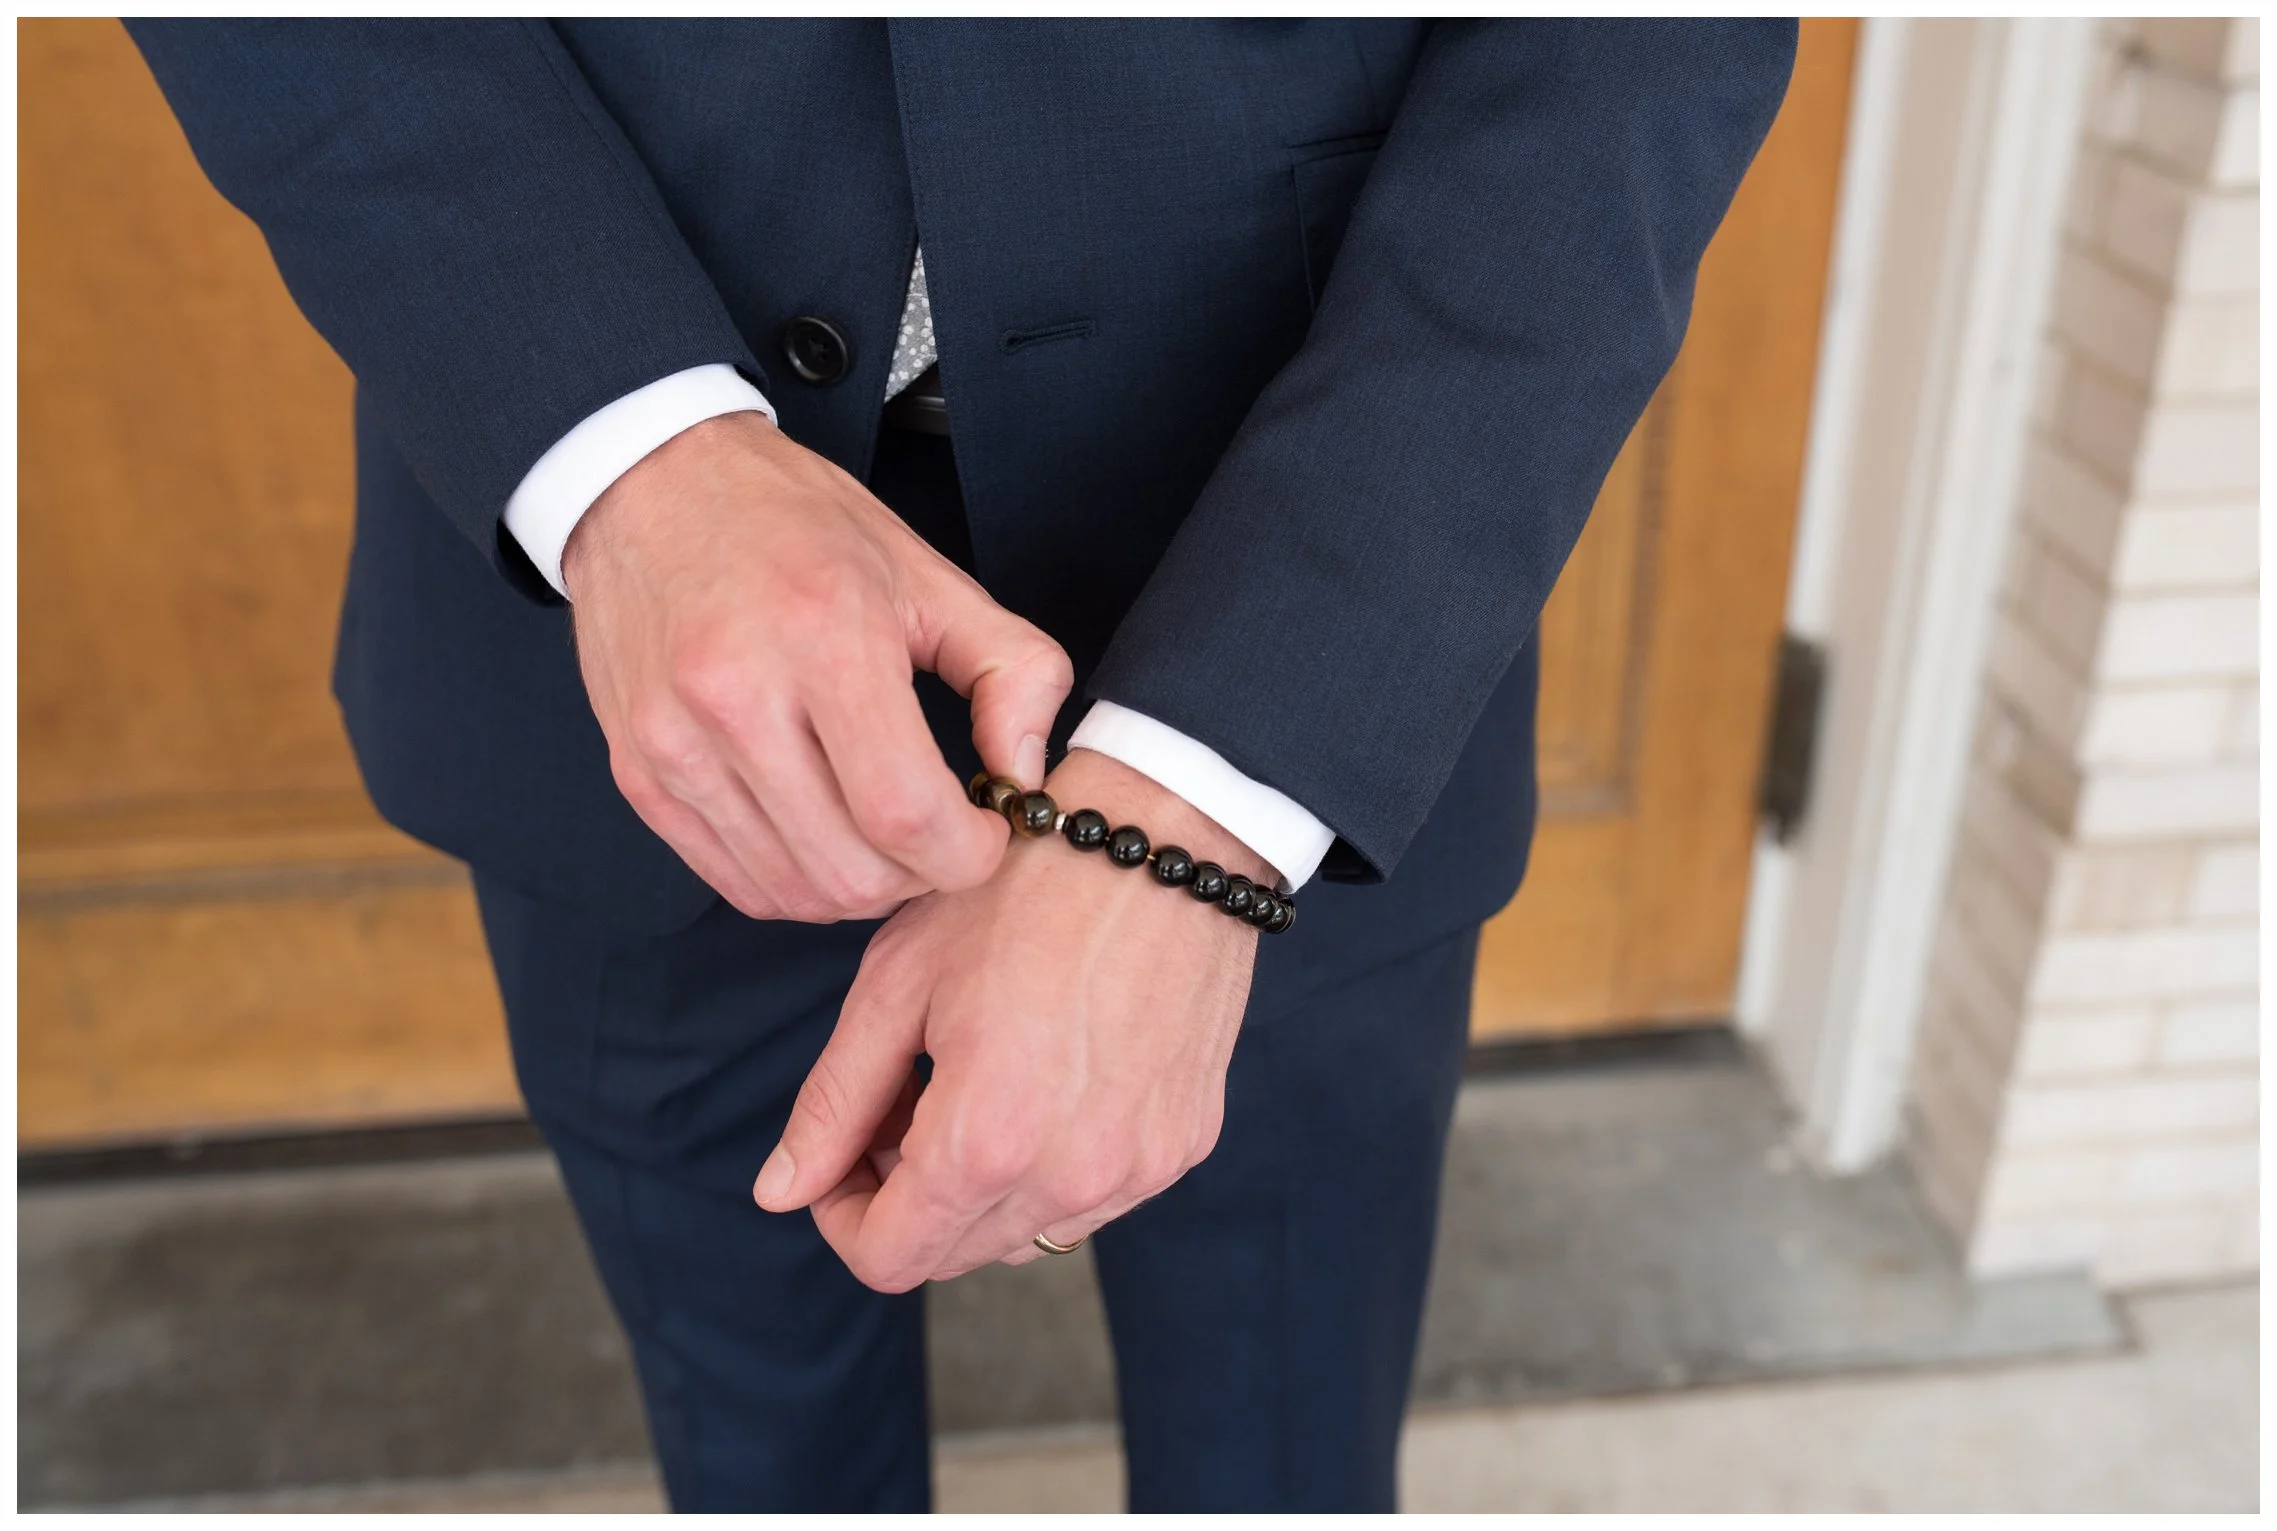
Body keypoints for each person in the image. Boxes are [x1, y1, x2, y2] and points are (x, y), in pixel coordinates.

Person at [128, 19, 1794, 1512]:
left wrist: (1219, 794)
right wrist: (640, 462)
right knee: (756, 1454)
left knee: (1285, 1454)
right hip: (634, 607)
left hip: (1318, 566)